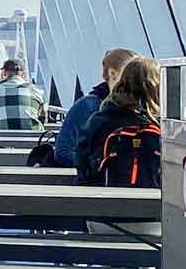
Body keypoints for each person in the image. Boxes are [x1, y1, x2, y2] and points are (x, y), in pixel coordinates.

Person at [77, 55, 164, 187]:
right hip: (153, 202)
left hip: (100, 199)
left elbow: (82, 163)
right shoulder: (160, 125)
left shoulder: (99, 119)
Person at [54, 48, 134, 174]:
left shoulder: (142, 107)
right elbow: (63, 152)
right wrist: (99, 165)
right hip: (97, 182)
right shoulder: (89, 106)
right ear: (112, 73)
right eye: (130, 73)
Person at [0, 57, 44, 129]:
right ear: (23, 73)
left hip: (1, 138)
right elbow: (41, 116)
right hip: (34, 138)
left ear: (4, 72)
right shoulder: (35, 90)